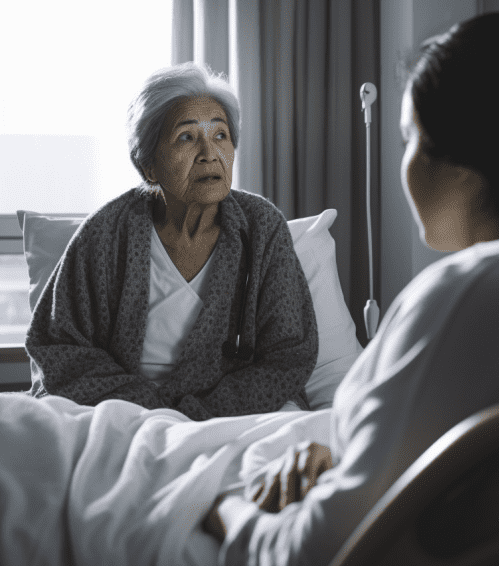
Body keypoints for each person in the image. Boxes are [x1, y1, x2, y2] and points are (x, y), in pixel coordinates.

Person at [202, 12, 499, 566]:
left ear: (461, 161)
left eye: (410, 138)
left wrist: (220, 507)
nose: (405, 162)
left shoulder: (479, 293)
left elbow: (313, 563)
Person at [25, 62, 319, 421]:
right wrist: (153, 413)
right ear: (150, 167)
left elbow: (287, 354)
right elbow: (60, 347)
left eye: (220, 135)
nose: (209, 153)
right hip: (122, 413)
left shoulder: (261, 228)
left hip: (234, 415)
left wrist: (195, 417)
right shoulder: (106, 233)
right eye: (186, 137)